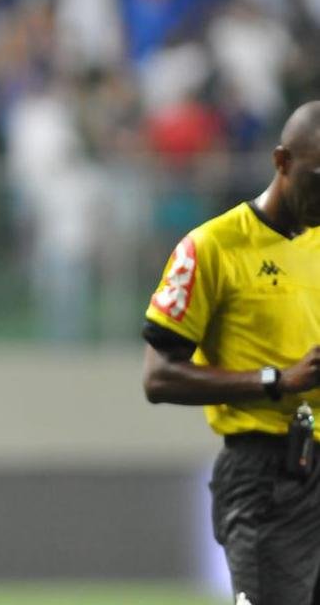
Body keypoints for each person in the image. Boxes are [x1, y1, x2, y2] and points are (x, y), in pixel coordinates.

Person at [142, 100, 320, 605]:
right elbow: (159, 377)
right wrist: (276, 380)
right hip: (270, 473)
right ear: (282, 161)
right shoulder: (213, 247)